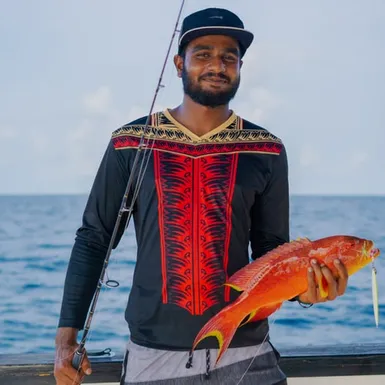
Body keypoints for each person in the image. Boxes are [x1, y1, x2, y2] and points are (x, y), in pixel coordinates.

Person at [54, 7, 349, 385]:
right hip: (152, 359)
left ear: (240, 67)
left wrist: (309, 293)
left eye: (230, 57)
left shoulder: (267, 150)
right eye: (203, 54)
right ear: (179, 64)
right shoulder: (130, 143)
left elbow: (272, 252)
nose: (217, 65)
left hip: (248, 359)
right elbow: (94, 239)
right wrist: (66, 338)